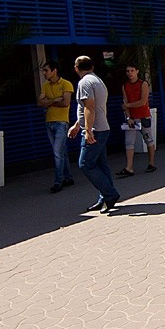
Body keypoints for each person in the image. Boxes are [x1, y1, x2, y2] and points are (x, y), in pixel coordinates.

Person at [67, 56, 119, 213]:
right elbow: (89, 108)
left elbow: (89, 107)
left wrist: (88, 130)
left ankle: (110, 194)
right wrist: (78, 124)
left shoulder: (84, 83)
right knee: (101, 164)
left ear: (76, 68)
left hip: (95, 130)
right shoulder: (97, 81)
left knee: (86, 164)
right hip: (101, 128)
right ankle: (105, 197)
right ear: (92, 66)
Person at [37, 61, 75, 194]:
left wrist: (48, 102)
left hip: (61, 122)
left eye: (46, 70)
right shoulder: (46, 85)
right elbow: (40, 102)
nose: (44, 73)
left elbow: (65, 102)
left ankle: (58, 181)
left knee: (57, 152)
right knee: (61, 152)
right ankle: (68, 177)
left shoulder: (66, 84)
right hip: (49, 121)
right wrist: (54, 100)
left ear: (54, 71)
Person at [116, 64, 156, 178]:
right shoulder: (125, 86)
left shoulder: (143, 84)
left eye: (132, 70)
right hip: (132, 118)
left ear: (137, 71)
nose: (130, 73)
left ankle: (151, 163)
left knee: (148, 139)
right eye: (128, 71)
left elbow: (143, 101)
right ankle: (129, 167)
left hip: (144, 116)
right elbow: (125, 102)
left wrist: (128, 105)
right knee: (129, 142)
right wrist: (128, 117)